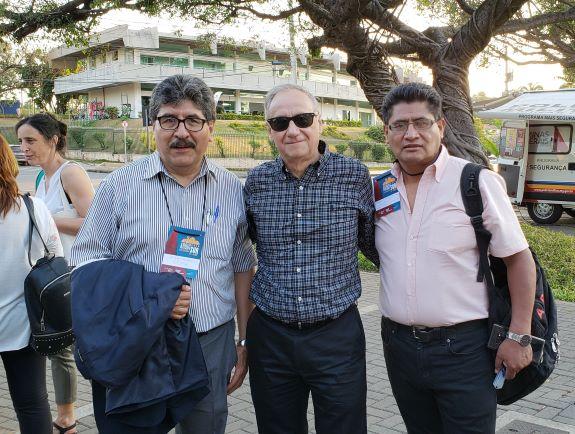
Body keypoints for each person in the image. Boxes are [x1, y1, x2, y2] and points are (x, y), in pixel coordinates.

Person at [70, 74, 256, 434]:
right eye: (169, 120)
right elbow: (85, 262)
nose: (181, 132)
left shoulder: (234, 190)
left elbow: (241, 264)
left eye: (193, 121)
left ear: (211, 128)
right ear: (152, 126)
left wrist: (243, 340)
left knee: (206, 426)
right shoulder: (118, 186)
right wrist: (152, 295)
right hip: (137, 343)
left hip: (209, 340)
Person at [375, 82, 535, 433]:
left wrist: (519, 335)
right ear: (387, 132)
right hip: (399, 348)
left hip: (464, 351)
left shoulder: (475, 182)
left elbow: (519, 260)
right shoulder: (379, 189)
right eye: (399, 125)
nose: (411, 134)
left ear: (441, 127)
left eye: (422, 123)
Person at [244, 83, 379, 434]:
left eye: (302, 119)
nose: (292, 130)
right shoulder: (256, 182)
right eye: (280, 122)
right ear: (269, 131)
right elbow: (246, 246)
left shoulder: (354, 177)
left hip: (337, 336)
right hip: (271, 338)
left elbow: (376, 246)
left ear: (319, 122)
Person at [16, 113, 94, 434]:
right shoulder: (38, 178)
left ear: (53, 141)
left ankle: (68, 417)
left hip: (73, 273)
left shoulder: (70, 173)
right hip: (49, 275)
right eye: (21, 141)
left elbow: (92, 220)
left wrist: (45, 217)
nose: (24, 148)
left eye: (31, 141)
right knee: (56, 343)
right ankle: (66, 416)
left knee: (65, 345)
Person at [0, 133, 62, 434]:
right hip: (25, 326)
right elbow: (56, 258)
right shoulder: (33, 208)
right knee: (32, 404)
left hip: (23, 327)